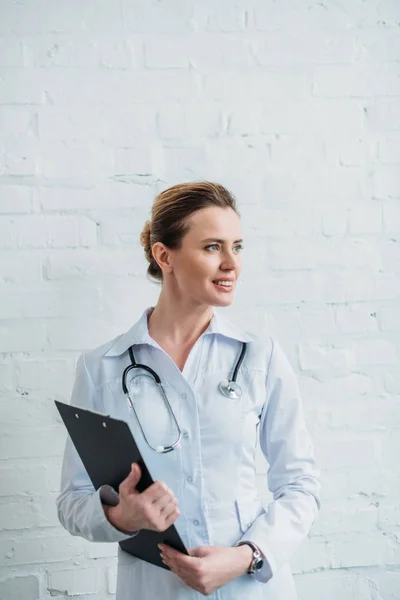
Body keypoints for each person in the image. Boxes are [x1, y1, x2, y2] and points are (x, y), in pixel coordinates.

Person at [56, 181, 320, 599]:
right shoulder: (101, 368)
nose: (232, 263)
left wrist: (247, 555)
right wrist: (122, 515)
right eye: (213, 247)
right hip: (156, 588)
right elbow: (73, 502)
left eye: (238, 246)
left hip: (249, 587)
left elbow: (301, 483)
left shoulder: (259, 356)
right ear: (165, 256)